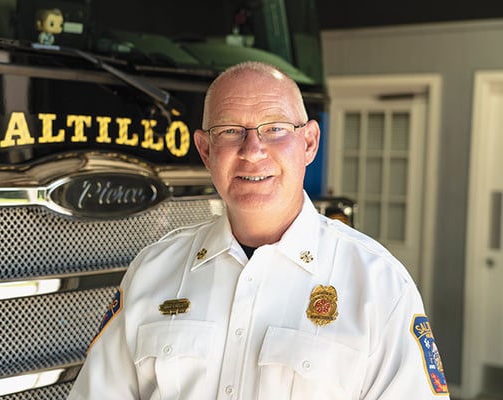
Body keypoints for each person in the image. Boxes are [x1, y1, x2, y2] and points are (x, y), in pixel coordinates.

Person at [68, 61, 449, 399]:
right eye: (231, 131)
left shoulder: (380, 285)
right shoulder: (153, 271)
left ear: (309, 142)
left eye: (275, 129)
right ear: (205, 151)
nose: (252, 150)